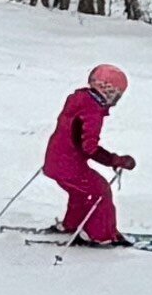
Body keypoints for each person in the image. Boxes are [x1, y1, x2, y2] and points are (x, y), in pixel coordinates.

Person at [40, 61, 135, 245]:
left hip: (55, 161)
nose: (116, 101)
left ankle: (72, 225)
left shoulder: (79, 100)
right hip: (68, 166)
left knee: (81, 192)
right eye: (117, 95)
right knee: (99, 191)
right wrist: (115, 160)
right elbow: (89, 147)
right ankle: (100, 236)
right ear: (108, 90)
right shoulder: (92, 111)